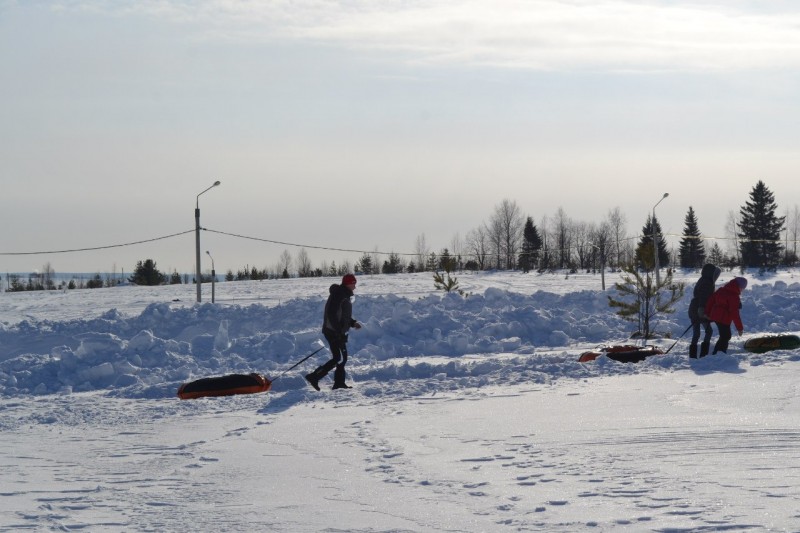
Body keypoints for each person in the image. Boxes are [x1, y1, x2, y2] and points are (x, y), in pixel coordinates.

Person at [305, 273, 362, 391]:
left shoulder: (343, 295)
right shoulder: (339, 295)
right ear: (347, 283)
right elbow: (331, 315)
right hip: (333, 331)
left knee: (340, 357)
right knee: (339, 358)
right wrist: (338, 331)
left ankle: (337, 383)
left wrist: (352, 323)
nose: (355, 287)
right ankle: (315, 377)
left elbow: (342, 315)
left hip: (336, 331)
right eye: (353, 284)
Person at [705, 276, 747, 355]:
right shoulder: (734, 296)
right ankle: (719, 354)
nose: (742, 290)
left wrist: (707, 313)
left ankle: (718, 353)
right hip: (723, 318)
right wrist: (740, 328)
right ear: (738, 286)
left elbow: (711, 300)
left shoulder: (722, 290)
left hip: (716, 316)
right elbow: (735, 313)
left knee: (724, 335)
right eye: (742, 288)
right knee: (726, 336)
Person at [688, 264, 721, 358]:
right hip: (699, 310)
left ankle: (693, 355)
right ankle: (703, 354)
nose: (717, 277)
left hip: (694, 308)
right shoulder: (707, 282)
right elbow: (704, 296)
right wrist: (702, 309)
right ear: (711, 273)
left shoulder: (703, 279)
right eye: (716, 274)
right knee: (708, 331)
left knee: (696, 333)